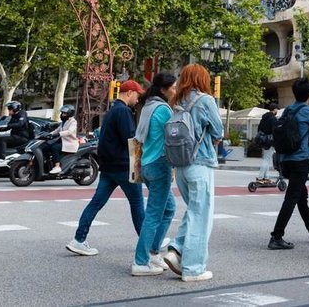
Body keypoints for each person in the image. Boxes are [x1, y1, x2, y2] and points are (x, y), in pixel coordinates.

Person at [67, 80, 146, 257]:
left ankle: (78, 239)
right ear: (129, 92)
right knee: (137, 203)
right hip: (123, 166)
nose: (138, 99)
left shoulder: (111, 111)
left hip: (108, 167)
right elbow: (130, 139)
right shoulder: (123, 111)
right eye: (137, 95)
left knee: (96, 203)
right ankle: (148, 242)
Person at [162, 64, 223, 282]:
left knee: (194, 211)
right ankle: (194, 268)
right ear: (202, 79)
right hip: (200, 162)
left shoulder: (176, 101)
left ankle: (176, 250)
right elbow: (218, 130)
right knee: (201, 216)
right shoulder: (205, 100)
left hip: (181, 165)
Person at [269, 79, 309, 250]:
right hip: (300, 160)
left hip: (285, 160)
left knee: (301, 196)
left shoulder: (288, 110)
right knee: (292, 198)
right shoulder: (308, 111)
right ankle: (276, 236)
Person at [131, 72, 178, 276]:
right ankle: (140, 262)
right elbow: (174, 136)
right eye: (173, 87)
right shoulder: (163, 109)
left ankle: (153, 252)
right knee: (153, 215)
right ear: (163, 89)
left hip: (147, 164)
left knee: (168, 209)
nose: (175, 91)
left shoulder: (147, 107)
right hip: (159, 164)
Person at [0, 101, 32, 167]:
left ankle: (2, 159)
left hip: (22, 137)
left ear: (15, 108)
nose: (9, 111)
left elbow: (20, 123)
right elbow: (7, 127)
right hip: (15, 136)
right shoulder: (13, 116)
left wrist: (8, 125)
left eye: (10, 109)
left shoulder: (22, 113)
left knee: (3, 139)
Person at [45, 104, 79, 174]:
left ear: (69, 114)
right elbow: (57, 130)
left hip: (69, 142)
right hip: (63, 141)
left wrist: (59, 134)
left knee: (55, 148)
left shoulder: (73, 122)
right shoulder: (63, 122)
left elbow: (69, 131)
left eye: (64, 113)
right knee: (47, 146)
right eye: (62, 113)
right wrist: (49, 134)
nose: (62, 114)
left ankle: (57, 167)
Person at [257, 103, 279, 183]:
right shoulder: (273, 119)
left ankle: (266, 176)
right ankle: (260, 177)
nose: (277, 111)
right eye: (277, 109)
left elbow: (259, 129)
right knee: (266, 159)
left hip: (263, 140)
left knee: (267, 158)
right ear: (275, 109)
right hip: (270, 141)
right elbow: (275, 131)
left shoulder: (264, 118)